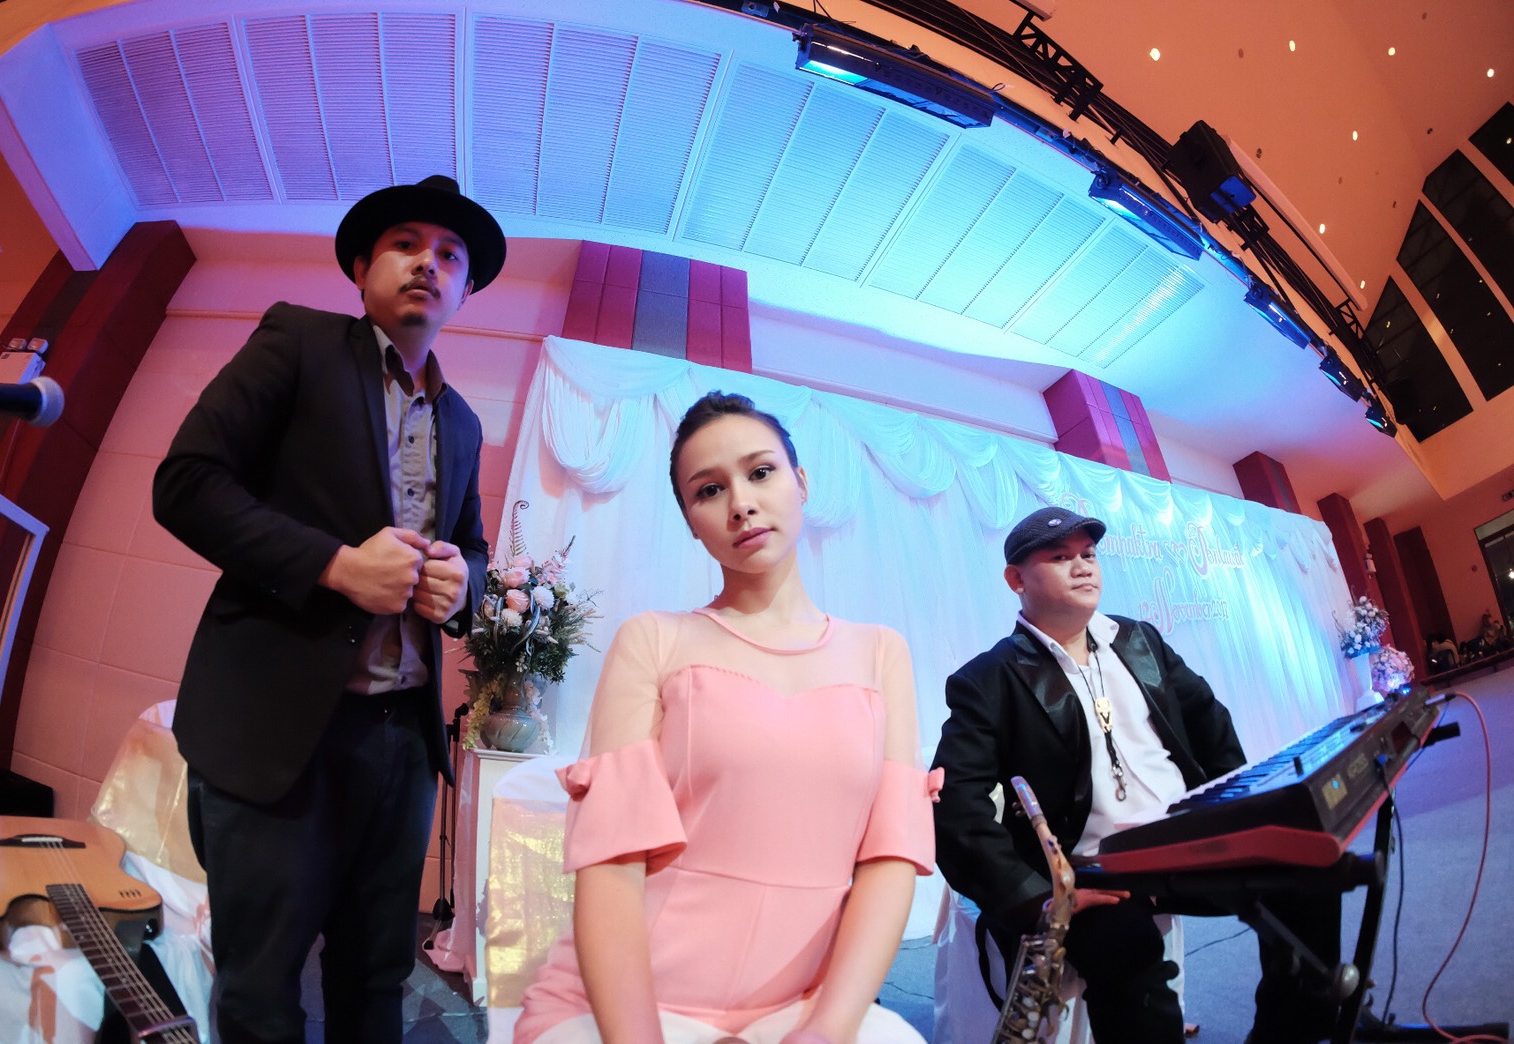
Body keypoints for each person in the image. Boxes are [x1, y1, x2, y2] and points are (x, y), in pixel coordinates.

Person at [152, 175, 502, 1044]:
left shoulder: (463, 423)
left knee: (377, 977)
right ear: (359, 268)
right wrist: (337, 566)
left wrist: (466, 585)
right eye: (405, 244)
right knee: (261, 988)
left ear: (465, 289)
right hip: (279, 731)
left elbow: (474, 548)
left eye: (450, 255)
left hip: (403, 745)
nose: (428, 262)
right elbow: (186, 483)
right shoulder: (298, 342)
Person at [514, 392, 938, 1044]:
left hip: (801, 1007)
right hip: (630, 1001)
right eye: (709, 490)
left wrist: (828, 1028)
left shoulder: (881, 654)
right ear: (691, 521)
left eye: (761, 472)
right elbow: (613, 865)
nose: (741, 503)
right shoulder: (654, 640)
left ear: (801, 482)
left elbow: (889, 859)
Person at [931, 507, 1341, 1044]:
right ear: (1016, 579)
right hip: (1091, 872)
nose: (1082, 566)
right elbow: (955, 806)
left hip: (1186, 847)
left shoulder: (1139, 640)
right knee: (1128, 956)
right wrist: (1039, 898)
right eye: (1060, 557)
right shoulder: (988, 680)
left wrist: (1239, 818)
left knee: (1308, 874)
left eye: (1088, 554)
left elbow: (1211, 726)